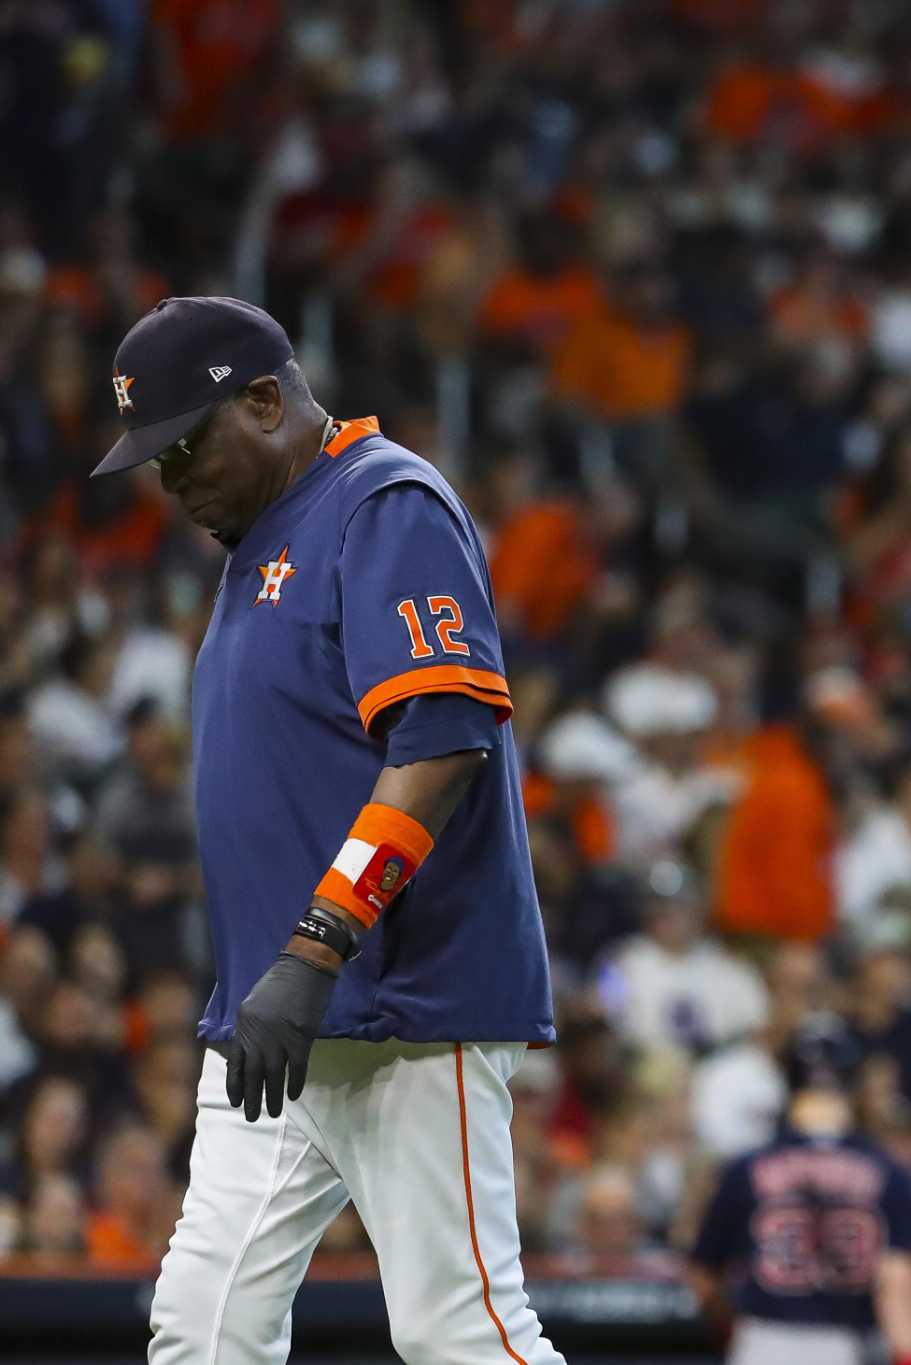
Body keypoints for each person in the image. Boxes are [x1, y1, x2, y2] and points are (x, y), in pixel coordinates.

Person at [94, 297, 562, 1364]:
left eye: (182, 447)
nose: (170, 483)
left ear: (264, 400)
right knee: (204, 1329)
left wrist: (317, 943)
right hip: (278, 1024)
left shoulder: (382, 504)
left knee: (461, 1333)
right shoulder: (264, 530)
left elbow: (440, 745)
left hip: (400, 1002)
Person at [689, 1018, 911, 1365]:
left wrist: (731, 1330)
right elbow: (898, 1283)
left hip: (763, 1342)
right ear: (852, 1086)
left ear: (788, 1083)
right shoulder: (887, 1172)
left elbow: (704, 1279)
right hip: (848, 1344)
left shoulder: (745, 1169)